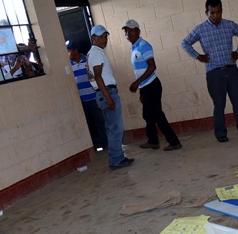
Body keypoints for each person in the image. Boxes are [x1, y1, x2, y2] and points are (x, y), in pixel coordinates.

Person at [181, 0, 238, 143]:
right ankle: (221, 134)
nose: (216, 15)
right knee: (219, 104)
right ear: (206, 12)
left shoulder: (229, 25)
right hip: (214, 73)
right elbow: (185, 43)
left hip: (231, 69)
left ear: (222, 11)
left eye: (218, 12)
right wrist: (198, 56)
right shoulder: (200, 29)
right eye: (212, 12)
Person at [123, 20, 182, 152]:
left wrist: (137, 83)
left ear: (138, 31)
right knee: (148, 115)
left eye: (131, 30)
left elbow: (152, 66)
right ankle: (153, 141)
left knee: (157, 115)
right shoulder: (134, 47)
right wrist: (141, 90)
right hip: (145, 87)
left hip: (152, 85)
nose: (128, 33)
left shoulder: (144, 45)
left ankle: (174, 142)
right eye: (126, 31)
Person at [87, 25, 134, 170]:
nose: (104, 39)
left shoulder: (96, 52)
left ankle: (117, 158)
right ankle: (116, 160)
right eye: (101, 37)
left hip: (105, 92)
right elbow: (98, 76)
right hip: (107, 92)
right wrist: (109, 98)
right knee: (116, 128)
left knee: (112, 128)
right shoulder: (96, 53)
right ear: (93, 38)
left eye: (105, 36)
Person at [66, 40, 109, 152]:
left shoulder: (88, 60)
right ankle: (94, 146)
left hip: (93, 97)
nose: (68, 54)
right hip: (81, 101)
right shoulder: (69, 66)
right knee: (88, 124)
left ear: (75, 51)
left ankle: (105, 144)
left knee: (100, 122)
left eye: (69, 51)